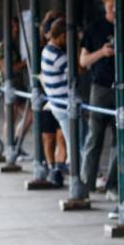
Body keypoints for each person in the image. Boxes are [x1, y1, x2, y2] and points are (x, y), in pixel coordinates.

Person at [80, 0, 124, 204]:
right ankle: (85, 185)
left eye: (118, 5)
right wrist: (102, 52)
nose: (115, 9)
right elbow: (83, 61)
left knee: (119, 140)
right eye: (111, 5)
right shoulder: (94, 28)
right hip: (100, 88)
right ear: (105, 4)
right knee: (94, 138)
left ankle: (113, 184)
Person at [40, 16, 71, 186]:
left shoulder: (47, 50)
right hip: (61, 104)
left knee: (65, 138)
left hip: (56, 102)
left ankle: (59, 170)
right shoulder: (57, 54)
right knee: (71, 140)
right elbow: (76, 71)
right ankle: (67, 172)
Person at [0, 17, 31, 159]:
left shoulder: (13, 44)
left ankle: (14, 145)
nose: (16, 31)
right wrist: (25, 63)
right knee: (16, 117)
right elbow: (6, 69)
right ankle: (11, 146)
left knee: (20, 116)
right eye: (13, 28)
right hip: (11, 87)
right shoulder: (5, 46)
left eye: (17, 27)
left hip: (17, 87)